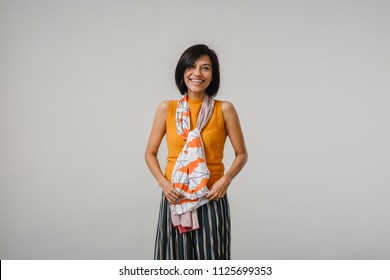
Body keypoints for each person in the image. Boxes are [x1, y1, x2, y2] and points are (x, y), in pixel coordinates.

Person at [144, 44, 248, 260]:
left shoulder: (224, 109)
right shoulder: (167, 109)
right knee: (173, 260)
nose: (197, 73)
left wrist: (225, 181)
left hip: (211, 196)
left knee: (211, 259)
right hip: (176, 196)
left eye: (205, 68)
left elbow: (241, 154)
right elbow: (150, 153)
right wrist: (164, 184)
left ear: (213, 76)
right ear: (183, 72)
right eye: (191, 67)